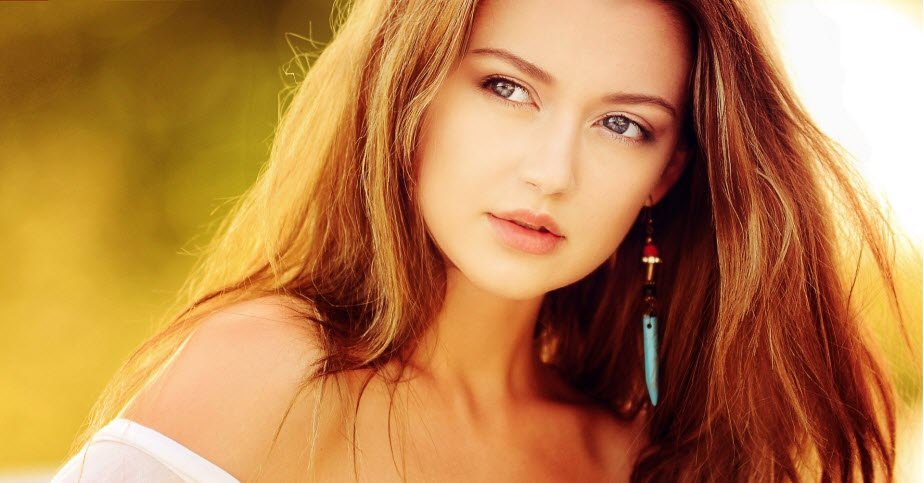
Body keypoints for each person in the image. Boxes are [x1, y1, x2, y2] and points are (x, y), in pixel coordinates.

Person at [51, 0, 914, 481]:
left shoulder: (628, 459)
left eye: (621, 124)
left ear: (665, 174)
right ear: (412, 86)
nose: (552, 172)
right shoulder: (269, 372)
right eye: (508, 88)